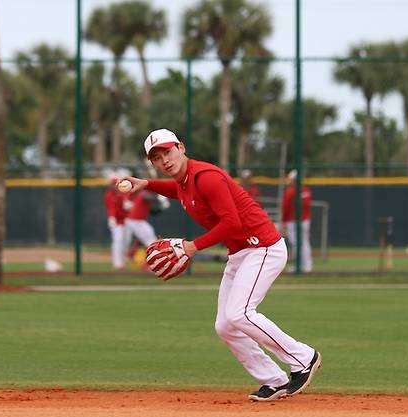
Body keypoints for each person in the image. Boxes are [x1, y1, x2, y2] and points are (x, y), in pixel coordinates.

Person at [120, 128, 321, 402]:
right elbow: (179, 191)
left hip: (263, 247)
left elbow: (232, 223)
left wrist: (192, 247)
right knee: (225, 325)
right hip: (241, 252)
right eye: (156, 157)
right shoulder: (185, 181)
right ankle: (273, 380)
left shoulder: (206, 177)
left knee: (240, 313)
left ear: (181, 147)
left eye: (167, 151)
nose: (164, 160)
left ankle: (304, 357)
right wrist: (146, 184)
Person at [281, 169, 313, 273]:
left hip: (294, 221)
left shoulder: (291, 191)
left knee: (297, 243)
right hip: (303, 221)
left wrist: (284, 221)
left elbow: (285, 207)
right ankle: (306, 266)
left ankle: (301, 266)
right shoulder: (306, 190)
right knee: (304, 243)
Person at [104, 172, 130, 269]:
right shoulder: (109, 195)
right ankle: (117, 263)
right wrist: (111, 218)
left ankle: (122, 261)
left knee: (126, 241)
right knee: (117, 241)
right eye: (112, 183)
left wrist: (129, 205)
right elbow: (111, 208)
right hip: (116, 222)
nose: (114, 185)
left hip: (127, 221)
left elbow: (129, 205)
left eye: (115, 183)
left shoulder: (123, 193)